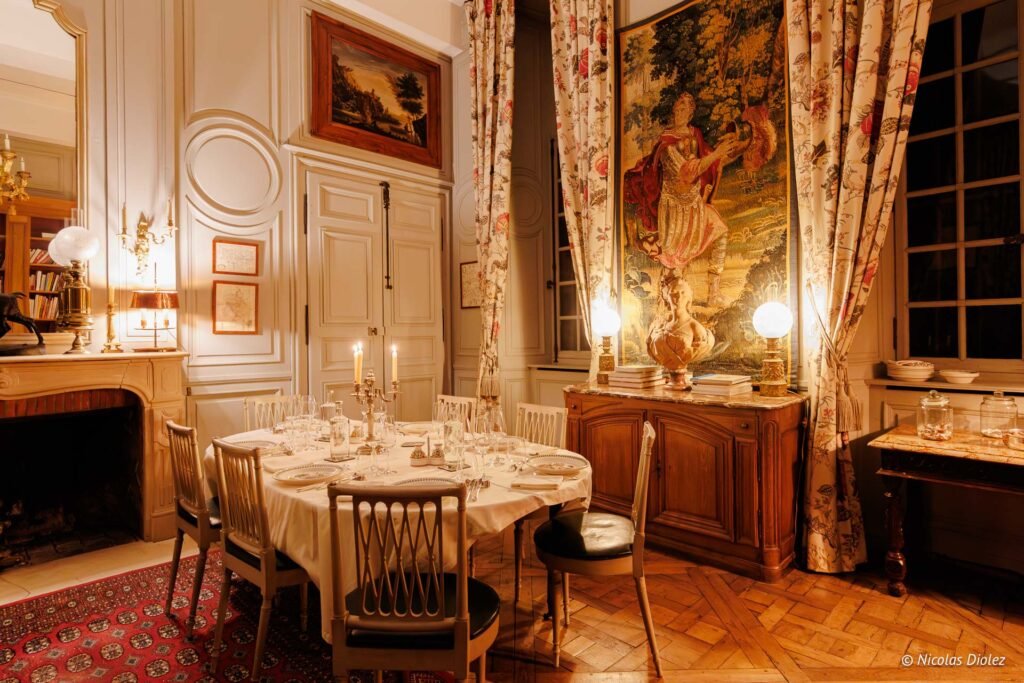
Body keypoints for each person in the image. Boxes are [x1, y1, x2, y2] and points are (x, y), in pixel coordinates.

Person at [624, 92, 748, 307]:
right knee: (676, 259)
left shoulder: (694, 135)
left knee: (720, 230)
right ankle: (670, 306)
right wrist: (716, 154)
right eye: (679, 108)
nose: (682, 112)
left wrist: (735, 146)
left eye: (686, 109)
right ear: (674, 111)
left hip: (694, 203)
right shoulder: (667, 143)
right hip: (675, 209)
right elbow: (687, 172)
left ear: (691, 113)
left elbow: (714, 160)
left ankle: (714, 293)